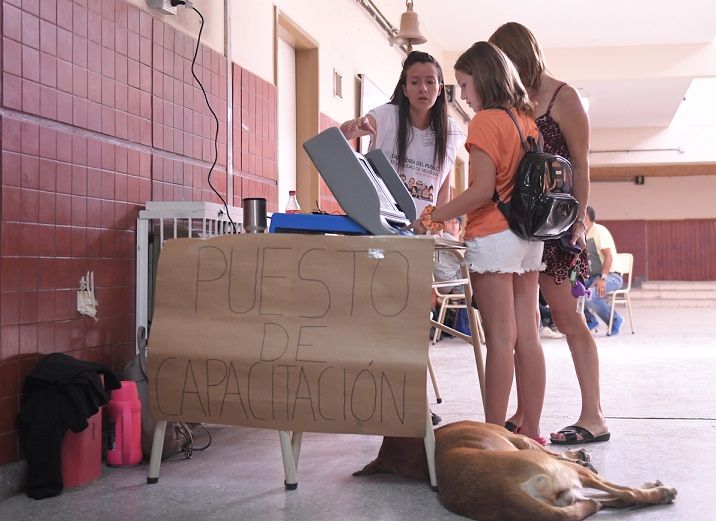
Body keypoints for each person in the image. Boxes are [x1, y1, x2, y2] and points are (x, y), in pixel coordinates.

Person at [413, 41, 546, 444]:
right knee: (528, 336)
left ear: (484, 79)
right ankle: (532, 432)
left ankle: (494, 436)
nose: (464, 97)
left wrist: (436, 214)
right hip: (528, 236)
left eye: (465, 86)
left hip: (493, 235)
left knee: (500, 340)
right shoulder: (526, 119)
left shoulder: (487, 120)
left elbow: (483, 190)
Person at [489, 22, 610, 445]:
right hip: (523, 226)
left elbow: (582, 163)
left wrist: (577, 223)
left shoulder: (564, 97)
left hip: (557, 227)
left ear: (520, 56)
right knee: (524, 327)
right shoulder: (514, 102)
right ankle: (525, 413)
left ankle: (594, 415)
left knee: (567, 317)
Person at [340, 51, 464, 215]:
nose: (423, 89)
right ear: (405, 89)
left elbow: (443, 188)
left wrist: (436, 226)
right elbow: (343, 134)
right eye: (415, 82)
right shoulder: (386, 116)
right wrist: (352, 125)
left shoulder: (450, 131)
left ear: (440, 89)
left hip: (422, 229)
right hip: (382, 221)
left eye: (430, 82)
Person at [583, 206, 624, 335]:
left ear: (586, 218)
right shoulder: (580, 234)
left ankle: (615, 320)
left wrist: (602, 278)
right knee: (571, 293)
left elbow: (608, 256)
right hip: (591, 277)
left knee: (590, 296)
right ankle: (590, 320)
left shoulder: (599, 231)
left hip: (611, 276)